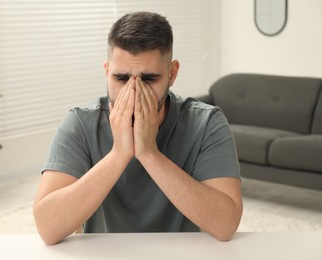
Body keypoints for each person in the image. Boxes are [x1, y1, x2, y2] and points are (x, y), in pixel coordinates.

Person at [33, 12, 243, 245]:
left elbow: (225, 226)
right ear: (106, 71)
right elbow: (47, 228)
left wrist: (149, 153)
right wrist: (119, 154)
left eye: (149, 79)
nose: (133, 92)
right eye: (121, 78)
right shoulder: (80, 123)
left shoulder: (206, 123)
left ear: (172, 74)